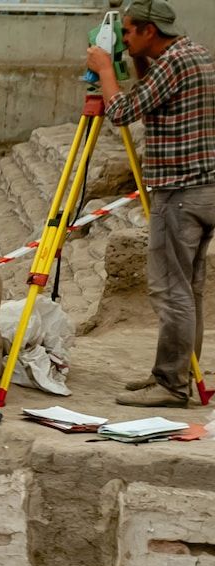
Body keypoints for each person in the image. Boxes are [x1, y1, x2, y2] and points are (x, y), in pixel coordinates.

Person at [90, 0, 215, 408]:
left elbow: (123, 111)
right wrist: (134, 62)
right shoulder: (192, 53)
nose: (123, 39)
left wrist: (107, 71)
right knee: (188, 290)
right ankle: (174, 373)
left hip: (180, 192)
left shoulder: (172, 64)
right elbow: (153, 100)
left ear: (148, 31)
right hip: (203, 189)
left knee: (170, 290)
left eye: (127, 32)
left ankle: (171, 385)